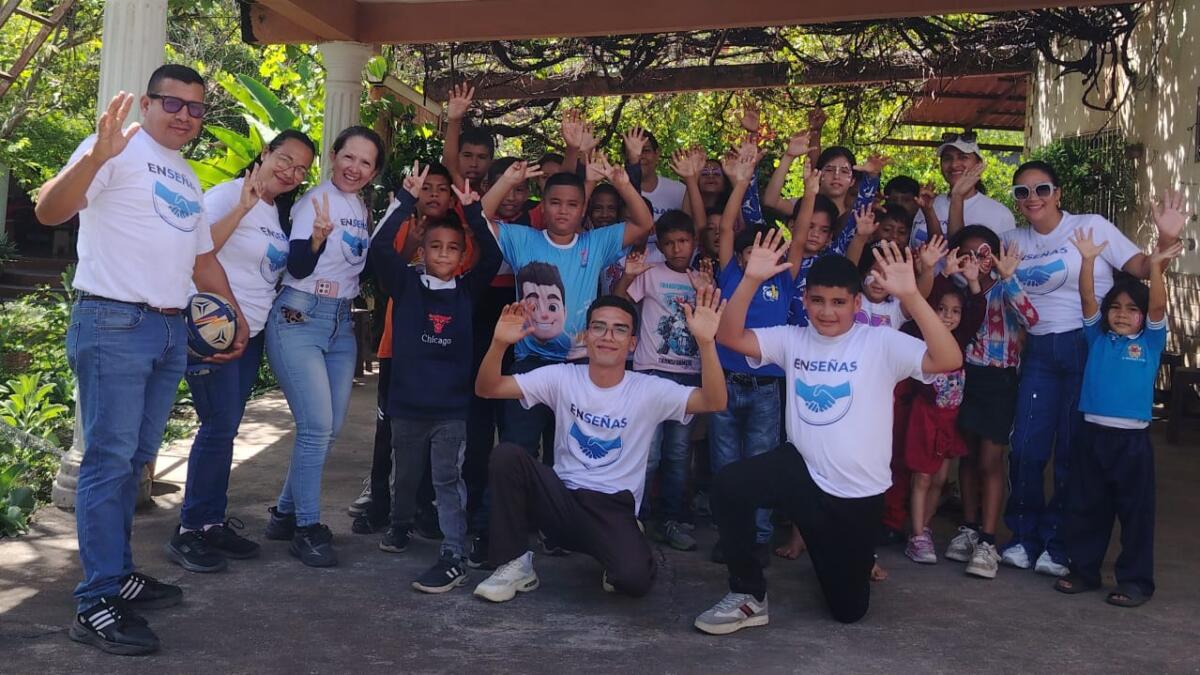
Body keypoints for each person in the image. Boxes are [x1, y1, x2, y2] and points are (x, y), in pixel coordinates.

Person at [36, 65, 248, 656]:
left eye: (196, 108)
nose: (184, 116)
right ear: (149, 104)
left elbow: (201, 260)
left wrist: (234, 314)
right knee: (108, 461)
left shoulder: (186, 176)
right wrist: (94, 157)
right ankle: (96, 601)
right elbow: (50, 211)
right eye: (172, 103)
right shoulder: (113, 148)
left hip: (169, 329)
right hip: (113, 321)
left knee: (135, 462)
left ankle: (119, 571)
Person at [697, 236, 963, 633]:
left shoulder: (879, 341)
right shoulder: (793, 337)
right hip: (802, 474)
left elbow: (949, 359)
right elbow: (730, 336)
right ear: (805, 301)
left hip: (856, 495)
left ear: (857, 304)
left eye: (839, 302)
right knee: (729, 484)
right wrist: (750, 280)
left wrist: (911, 295)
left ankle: (850, 557)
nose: (826, 311)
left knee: (848, 610)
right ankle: (748, 594)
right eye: (818, 300)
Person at [471, 292, 729, 602]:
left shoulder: (648, 389)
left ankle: (622, 544)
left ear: (632, 343)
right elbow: (488, 388)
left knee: (633, 582)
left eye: (619, 329)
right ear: (585, 336)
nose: (608, 336)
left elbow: (714, 401)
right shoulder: (562, 377)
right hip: (562, 500)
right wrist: (499, 344)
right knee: (507, 456)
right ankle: (515, 564)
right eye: (599, 327)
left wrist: (706, 343)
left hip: (612, 507)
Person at [467, 157, 653, 565]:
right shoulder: (522, 238)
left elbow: (643, 223)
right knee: (514, 448)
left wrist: (622, 182)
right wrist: (508, 180)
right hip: (531, 365)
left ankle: (557, 531)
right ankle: (491, 535)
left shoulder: (595, 243)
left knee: (565, 457)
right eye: (555, 203)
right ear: (542, 204)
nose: (563, 211)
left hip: (580, 368)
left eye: (572, 204)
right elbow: (478, 217)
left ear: (583, 208)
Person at [999, 162, 1180, 576]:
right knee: (1026, 447)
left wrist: (1167, 237)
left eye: (1042, 189)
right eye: (1022, 192)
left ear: (1058, 192)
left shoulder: (1090, 226)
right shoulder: (1012, 240)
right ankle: (1023, 536)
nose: (1032, 198)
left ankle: (1060, 543)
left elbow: (1142, 268)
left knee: (1072, 451)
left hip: (1087, 347)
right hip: (1039, 350)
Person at [166, 130, 316, 573]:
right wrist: (240, 209)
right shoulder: (229, 195)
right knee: (218, 426)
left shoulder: (275, 210)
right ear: (265, 153)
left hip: (248, 334)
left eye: (301, 169)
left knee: (226, 427)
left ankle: (211, 522)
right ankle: (190, 529)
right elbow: (196, 252)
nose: (291, 172)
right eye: (284, 160)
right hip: (213, 329)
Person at [367, 162, 502, 592]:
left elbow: (493, 256)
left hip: (451, 410)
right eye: (435, 247)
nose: (443, 254)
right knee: (407, 476)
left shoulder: (467, 291)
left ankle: (453, 551)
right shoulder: (405, 286)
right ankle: (400, 524)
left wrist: (473, 212)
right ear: (421, 251)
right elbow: (380, 248)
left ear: (462, 257)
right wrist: (405, 198)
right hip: (407, 407)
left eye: (452, 249)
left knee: (447, 479)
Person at [263, 126, 385, 568]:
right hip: (299, 316)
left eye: (366, 162)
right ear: (334, 156)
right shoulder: (315, 202)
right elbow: (297, 266)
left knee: (328, 429)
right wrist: (316, 239)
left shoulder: (359, 207)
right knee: (315, 427)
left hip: (340, 323)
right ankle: (307, 528)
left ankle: (284, 513)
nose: (355, 168)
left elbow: (358, 267)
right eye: (349, 157)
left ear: (373, 172)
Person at [1053, 225, 1183, 607]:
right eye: (1116, 307)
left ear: (1143, 317)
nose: (1122, 314)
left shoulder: (1150, 341)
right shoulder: (1097, 337)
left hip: (1132, 443)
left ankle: (1135, 581)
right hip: (1091, 436)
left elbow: (1157, 307)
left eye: (1131, 309)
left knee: (1135, 513)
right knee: (1086, 507)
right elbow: (1087, 297)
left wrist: (1155, 267)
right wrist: (1088, 261)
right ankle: (1083, 571)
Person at [707, 152, 806, 565]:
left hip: (767, 389)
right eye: (751, 250)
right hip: (726, 385)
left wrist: (811, 192)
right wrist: (741, 182)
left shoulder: (785, 277)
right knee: (724, 464)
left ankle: (759, 537)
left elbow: (800, 235)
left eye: (768, 249)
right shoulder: (731, 273)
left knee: (761, 464)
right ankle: (731, 536)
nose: (758, 257)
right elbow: (728, 225)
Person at [614, 210, 713, 551]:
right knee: (649, 452)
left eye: (683, 241)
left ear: (694, 242)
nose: (676, 249)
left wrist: (705, 291)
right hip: (651, 372)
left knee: (678, 453)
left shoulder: (703, 279)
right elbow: (619, 302)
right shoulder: (651, 274)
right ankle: (634, 518)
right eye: (669, 243)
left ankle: (670, 519)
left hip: (688, 377)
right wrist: (628, 276)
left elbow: (713, 320)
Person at [948, 226, 1037, 579]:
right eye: (967, 255)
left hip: (1000, 381)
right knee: (967, 455)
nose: (976, 261)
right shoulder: (957, 290)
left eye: (983, 253)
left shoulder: (1006, 287)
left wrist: (1009, 278)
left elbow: (1031, 319)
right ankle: (969, 527)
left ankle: (988, 541)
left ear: (995, 255)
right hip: (966, 377)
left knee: (990, 459)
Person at [902, 254, 985, 565]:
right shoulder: (919, 336)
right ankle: (917, 535)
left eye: (955, 311)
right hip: (926, 416)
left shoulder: (959, 338)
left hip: (950, 419)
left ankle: (923, 527)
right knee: (922, 476)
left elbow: (977, 310)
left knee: (939, 479)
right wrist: (942, 275)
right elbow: (923, 303)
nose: (948, 316)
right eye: (941, 309)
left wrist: (973, 281)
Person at [909, 131, 1015, 246]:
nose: (954, 165)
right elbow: (936, 249)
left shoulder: (1000, 214)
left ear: (979, 164)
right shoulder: (928, 205)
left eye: (963, 157)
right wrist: (929, 212)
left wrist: (957, 196)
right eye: (947, 158)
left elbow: (958, 251)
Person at [440, 84, 494, 187]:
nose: (474, 164)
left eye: (482, 157)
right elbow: (449, 165)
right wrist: (454, 120)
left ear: (491, 162)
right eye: (467, 155)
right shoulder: (453, 191)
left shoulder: (497, 195)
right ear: (457, 156)